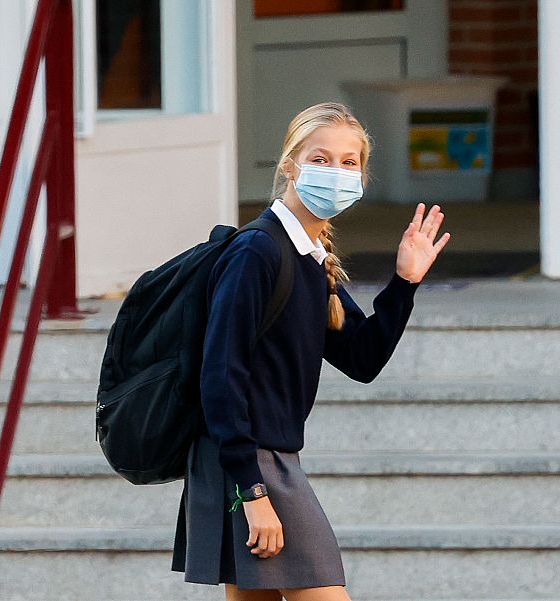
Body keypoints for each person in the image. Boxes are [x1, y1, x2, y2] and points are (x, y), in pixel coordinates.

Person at [170, 101, 450, 601]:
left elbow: (362, 360)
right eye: (320, 159)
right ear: (289, 166)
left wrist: (405, 281)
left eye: (349, 163)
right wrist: (252, 491)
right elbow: (220, 372)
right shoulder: (259, 251)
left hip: (260, 457)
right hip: (246, 462)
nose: (336, 173)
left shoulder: (311, 258)